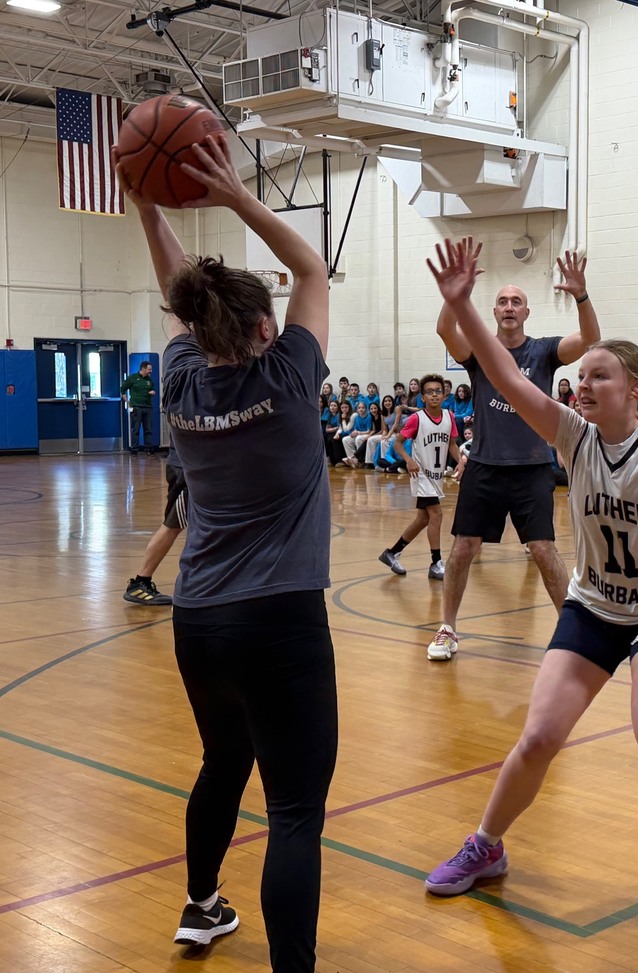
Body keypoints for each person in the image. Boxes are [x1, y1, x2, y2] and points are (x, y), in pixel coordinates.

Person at [424, 238, 638, 954]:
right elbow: (509, 378)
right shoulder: (573, 437)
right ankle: (488, 844)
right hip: (594, 606)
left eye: (597, 374)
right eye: (580, 376)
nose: (581, 383)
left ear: (636, 388)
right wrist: (460, 306)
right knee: (539, 736)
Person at [114, 132, 336, 972]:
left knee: (222, 760)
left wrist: (147, 205)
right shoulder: (287, 380)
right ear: (266, 326)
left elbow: (178, 301)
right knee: (293, 812)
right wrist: (237, 198)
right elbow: (313, 269)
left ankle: (201, 906)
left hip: (199, 618)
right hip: (280, 617)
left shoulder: (180, 379)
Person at [427, 242, 601, 662]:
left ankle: (569, 638)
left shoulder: (542, 351)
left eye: (516, 302)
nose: (508, 306)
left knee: (543, 551)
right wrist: (455, 297)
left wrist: (580, 294)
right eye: (502, 301)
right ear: (494, 312)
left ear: (526, 313)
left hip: (532, 469)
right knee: (464, 548)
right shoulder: (481, 352)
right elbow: (445, 331)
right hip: (484, 467)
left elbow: (592, 340)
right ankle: (448, 628)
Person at [379, 374, 467, 579]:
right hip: (421, 474)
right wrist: (409, 461)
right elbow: (398, 443)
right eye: (429, 392)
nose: (434, 395)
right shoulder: (417, 418)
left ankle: (392, 553)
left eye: (438, 391)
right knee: (436, 514)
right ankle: (436, 563)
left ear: (444, 395)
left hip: (436, 476)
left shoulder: (449, 416)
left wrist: (461, 461)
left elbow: (452, 444)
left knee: (423, 518)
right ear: (423, 397)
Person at [123, 436, 186, 606]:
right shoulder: (189, 410)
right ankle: (140, 582)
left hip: (194, 465)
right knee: (173, 525)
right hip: (188, 468)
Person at [120, 360, 157, 453]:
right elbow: (122, 390)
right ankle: (134, 449)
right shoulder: (132, 378)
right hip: (136, 408)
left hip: (148, 407)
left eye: (151, 369)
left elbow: (153, 390)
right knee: (135, 429)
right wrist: (127, 401)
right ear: (143, 369)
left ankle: (149, 448)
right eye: (149, 369)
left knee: (148, 430)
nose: (151, 371)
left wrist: (153, 392)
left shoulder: (150, 379)